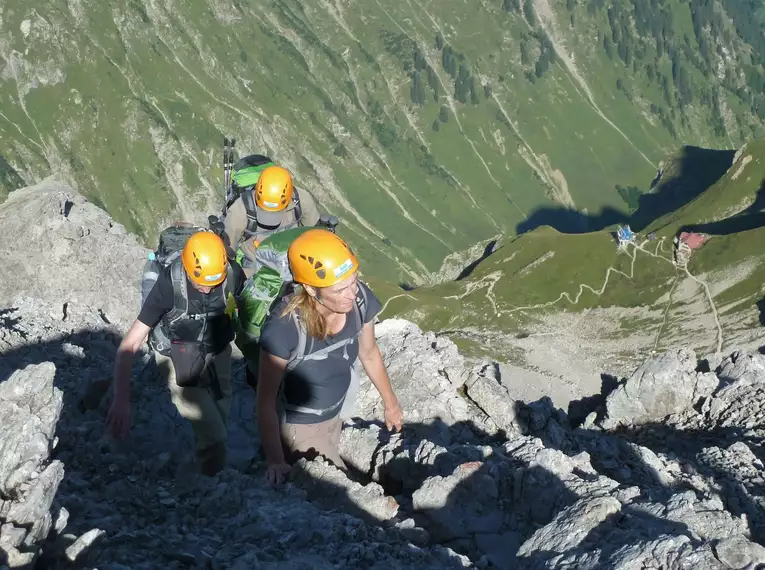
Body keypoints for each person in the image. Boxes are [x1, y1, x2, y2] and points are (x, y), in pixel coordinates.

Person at [255, 228, 404, 485]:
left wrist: (391, 404)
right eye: (340, 289)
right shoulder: (284, 330)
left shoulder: (358, 302)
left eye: (354, 281)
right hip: (301, 428)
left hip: (336, 416)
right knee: (344, 496)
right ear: (312, 290)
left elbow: (369, 353)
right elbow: (265, 401)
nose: (352, 293)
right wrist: (276, 461)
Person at [106, 230, 246, 476]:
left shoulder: (232, 273)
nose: (206, 290)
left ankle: (206, 459)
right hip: (174, 354)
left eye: (213, 284)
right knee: (216, 435)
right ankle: (212, 481)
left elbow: (244, 305)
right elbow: (130, 344)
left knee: (220, 411)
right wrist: (121, 400)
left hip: (218, 349)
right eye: (200, 283)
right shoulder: (170, 284)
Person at [223, 164, 321, 278]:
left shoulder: (302, 201)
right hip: (256, 266)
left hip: (292, 261)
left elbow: (314, 237)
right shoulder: (240, 211)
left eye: (276, 212)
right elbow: (228, 251)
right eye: (265, 210)